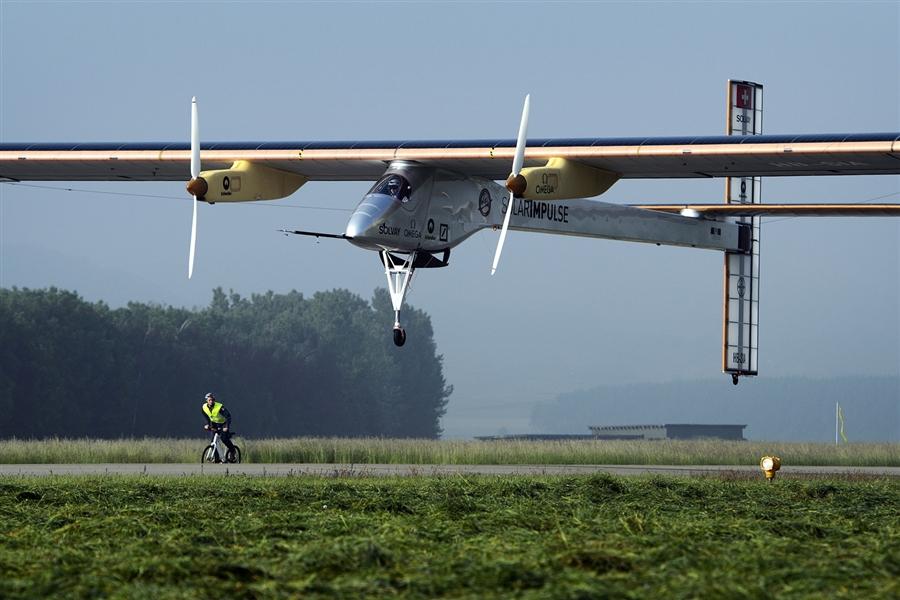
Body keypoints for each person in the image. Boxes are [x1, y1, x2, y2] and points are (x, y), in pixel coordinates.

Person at [202, 392, 237, 461]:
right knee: (213, 442)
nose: (211, 401)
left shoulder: (219, 407)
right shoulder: (204, 407)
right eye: (209, 400)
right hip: (214, 424)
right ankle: (217, 459)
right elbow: (207, 417)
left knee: (224, 438)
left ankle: (233, 451)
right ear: (207, 401)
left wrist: (226, 426)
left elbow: (228, 416)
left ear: (214, 400)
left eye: (212, 400)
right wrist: (208, 425)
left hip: (223, 424)